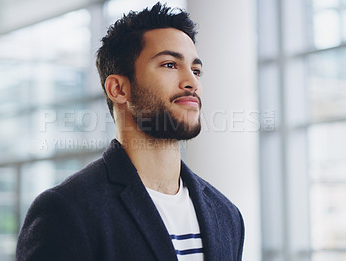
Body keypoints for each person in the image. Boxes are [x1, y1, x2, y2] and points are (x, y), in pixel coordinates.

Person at [16, 2, 244, 261]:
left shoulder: (226, 215)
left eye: (196, 70)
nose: (192, 82)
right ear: (118, 89)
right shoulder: (67, 211)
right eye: (170, 64)